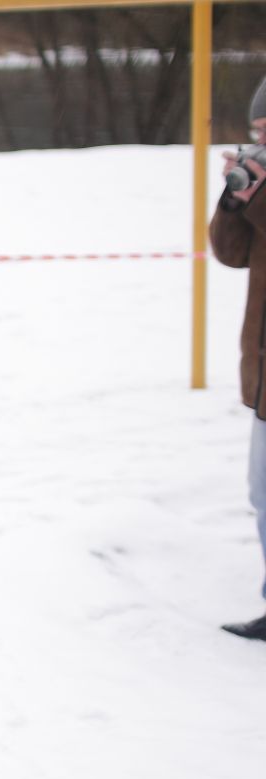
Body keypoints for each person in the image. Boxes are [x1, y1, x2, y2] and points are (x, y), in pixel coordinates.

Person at [212, 75, 266, 641]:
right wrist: (234, 202)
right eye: (256, 133)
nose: (260, 146)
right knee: (264, 497)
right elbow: (229, 255)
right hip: (263, 375)